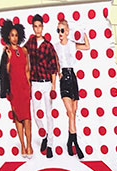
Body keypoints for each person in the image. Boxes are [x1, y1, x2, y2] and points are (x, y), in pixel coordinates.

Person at [52, 18, 89, 159]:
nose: (60, 33)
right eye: (58, 30)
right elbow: (55, 64)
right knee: (70, 113)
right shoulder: (55, 46)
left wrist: (82, 31)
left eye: (62, 30)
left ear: (67, 31)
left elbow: (87, 46)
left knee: (74, 111)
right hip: (64, 78)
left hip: (73, 77)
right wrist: (56, 80)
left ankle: (69, 141)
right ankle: (76, 143)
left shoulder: (73, 44)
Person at [26, 14, 59, 159]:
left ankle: (50, 144)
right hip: (35, 83)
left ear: (43, 27)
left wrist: (53, 87)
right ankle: (44, 133)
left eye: (39, 26)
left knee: (49, 113)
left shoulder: (48, 46)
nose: (37, 29)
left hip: (46, 83)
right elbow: (21, 52)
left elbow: (53, 67)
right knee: (36, 113)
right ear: (33, 28)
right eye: (35, 26)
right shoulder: (30, 42)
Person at [0, 20, 33, 158]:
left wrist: (29, 86)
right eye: (12, 35)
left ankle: (29, 145)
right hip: (13, 88)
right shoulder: (6, 52)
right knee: (18, 117)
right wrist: (9, 57)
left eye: (16, 35)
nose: (14, 37)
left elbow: (27, 69)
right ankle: (23, 146)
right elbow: (4, 73)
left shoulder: (24, 50)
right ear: (8, 36)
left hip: (24, 87)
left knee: (27, 118)